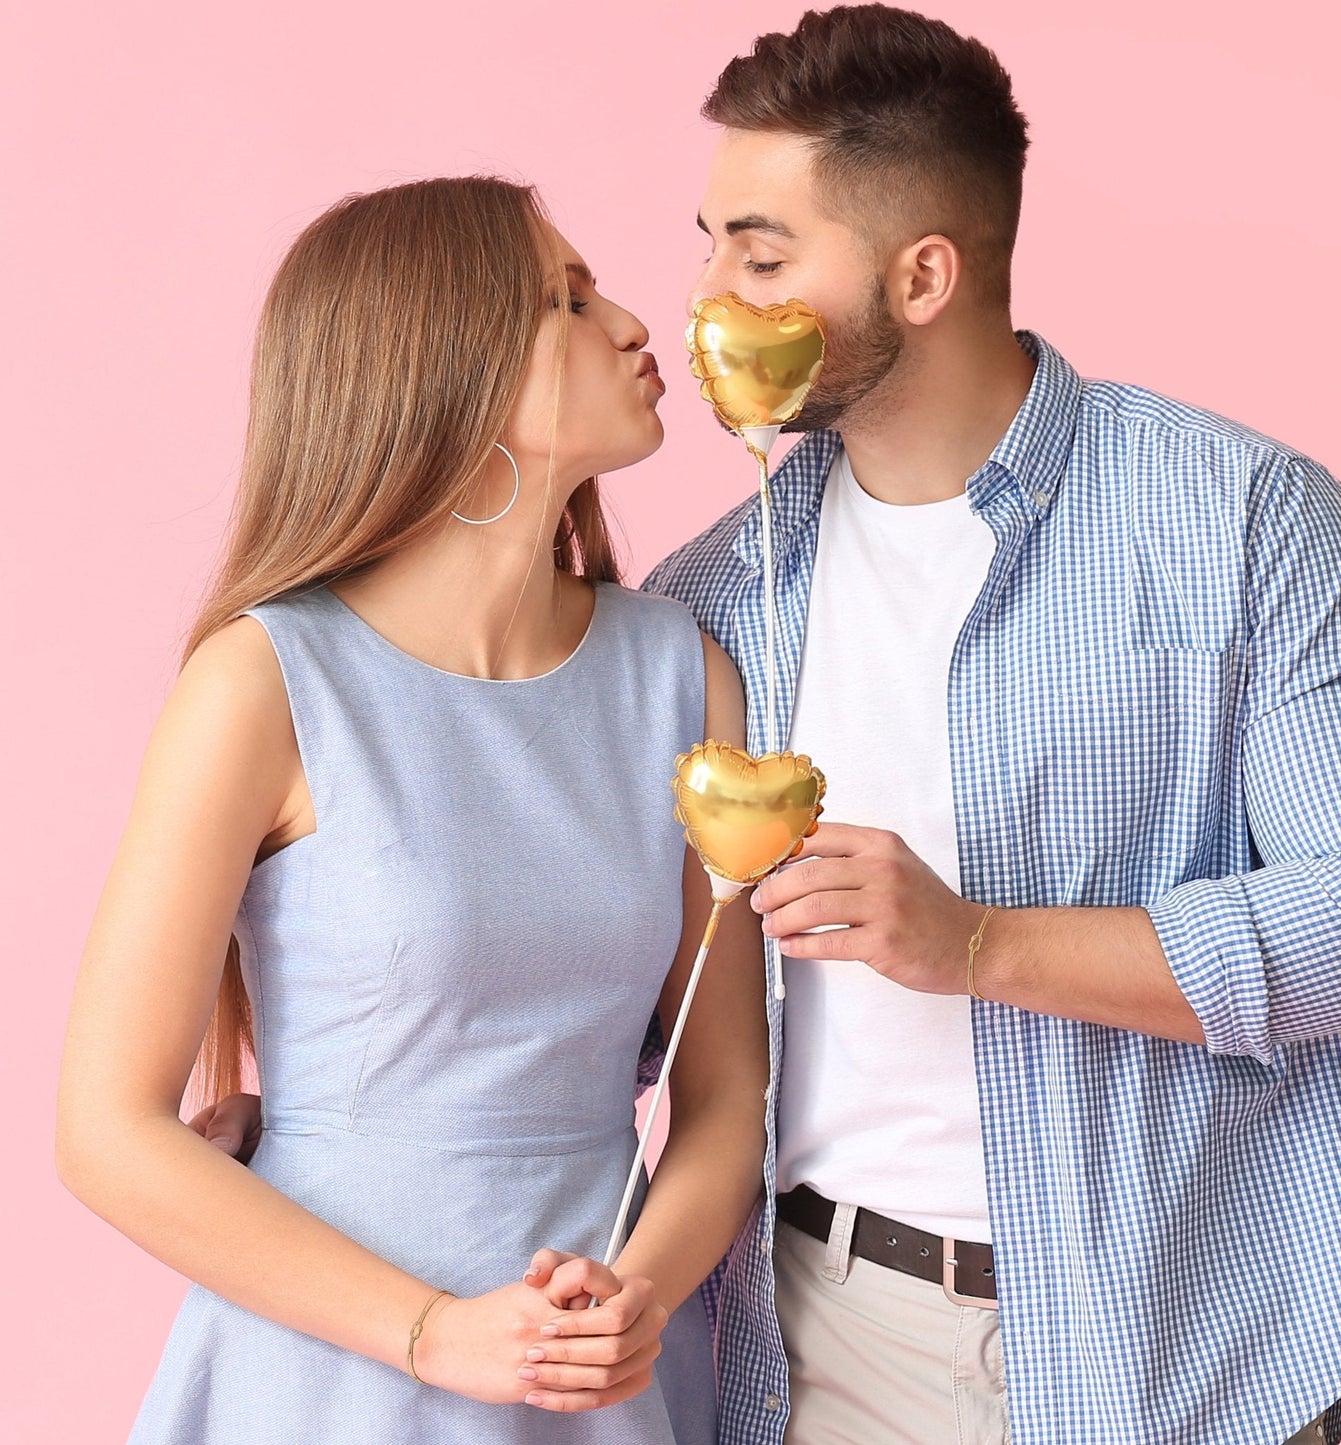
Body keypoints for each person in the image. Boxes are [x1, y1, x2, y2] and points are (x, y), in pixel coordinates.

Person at [642, 7, 1341, 1445]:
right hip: (820, 1342)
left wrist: (975, 945)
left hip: (1195, 1335)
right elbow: (631, 993)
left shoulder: (1252, 522)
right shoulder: (712, 598)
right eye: (710, 243)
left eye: (760, 256)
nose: (706, 295)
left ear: (925, 274)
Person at [55, 175, 767, 1444]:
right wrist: (435, 1332)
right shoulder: (264, 679)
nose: (629, 324)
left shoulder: (681, 671)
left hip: (598, 1375)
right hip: (328, 1372)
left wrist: (634, 1296)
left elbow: (723, 1099)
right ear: (446, 363)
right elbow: (105, 1130)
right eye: (566, 299)